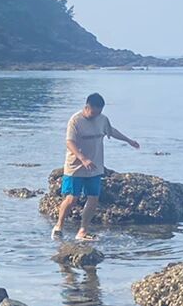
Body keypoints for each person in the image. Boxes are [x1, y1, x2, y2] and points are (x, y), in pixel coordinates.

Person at [53, 92, 139, 241]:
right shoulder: (75, 120)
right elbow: (69, 142)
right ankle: (59, 226)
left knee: (93, 198)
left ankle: (82, 231)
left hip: (95, 167)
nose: (95, 115)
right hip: (75, 167)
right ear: (87, 107)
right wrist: (83, 158)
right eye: (93, 112)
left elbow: (111, 131)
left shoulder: (102, 119)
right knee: (72, 198)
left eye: (99, 112)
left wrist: (128, 140)